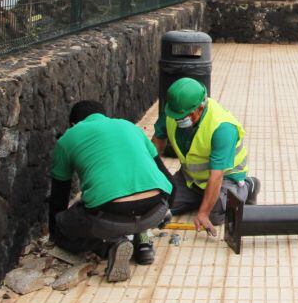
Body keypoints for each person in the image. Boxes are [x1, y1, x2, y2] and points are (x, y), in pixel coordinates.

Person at [50, 101, 173, 282]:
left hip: (109, 217)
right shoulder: (130, 127)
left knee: (64, 225)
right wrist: (165, 213)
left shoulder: (68, 138)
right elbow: (168, 179)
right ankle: (142, 242)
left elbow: (59, 196)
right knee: (132, 206)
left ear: (73, 124)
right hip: (156, 210)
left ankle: (110, 247)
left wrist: (56, 232)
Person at [153, 78, 260, 234]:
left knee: (215, 215)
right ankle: (203, 197)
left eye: (184, 116)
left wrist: (203, 213)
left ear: (201, 107)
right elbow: (156, 143)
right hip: (191, 178)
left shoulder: (223, 127)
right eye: (177, 116)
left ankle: (250, 186)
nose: (179, 120)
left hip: (226, 177)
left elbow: (216, 175)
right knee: (160, 204)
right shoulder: (173, 111)